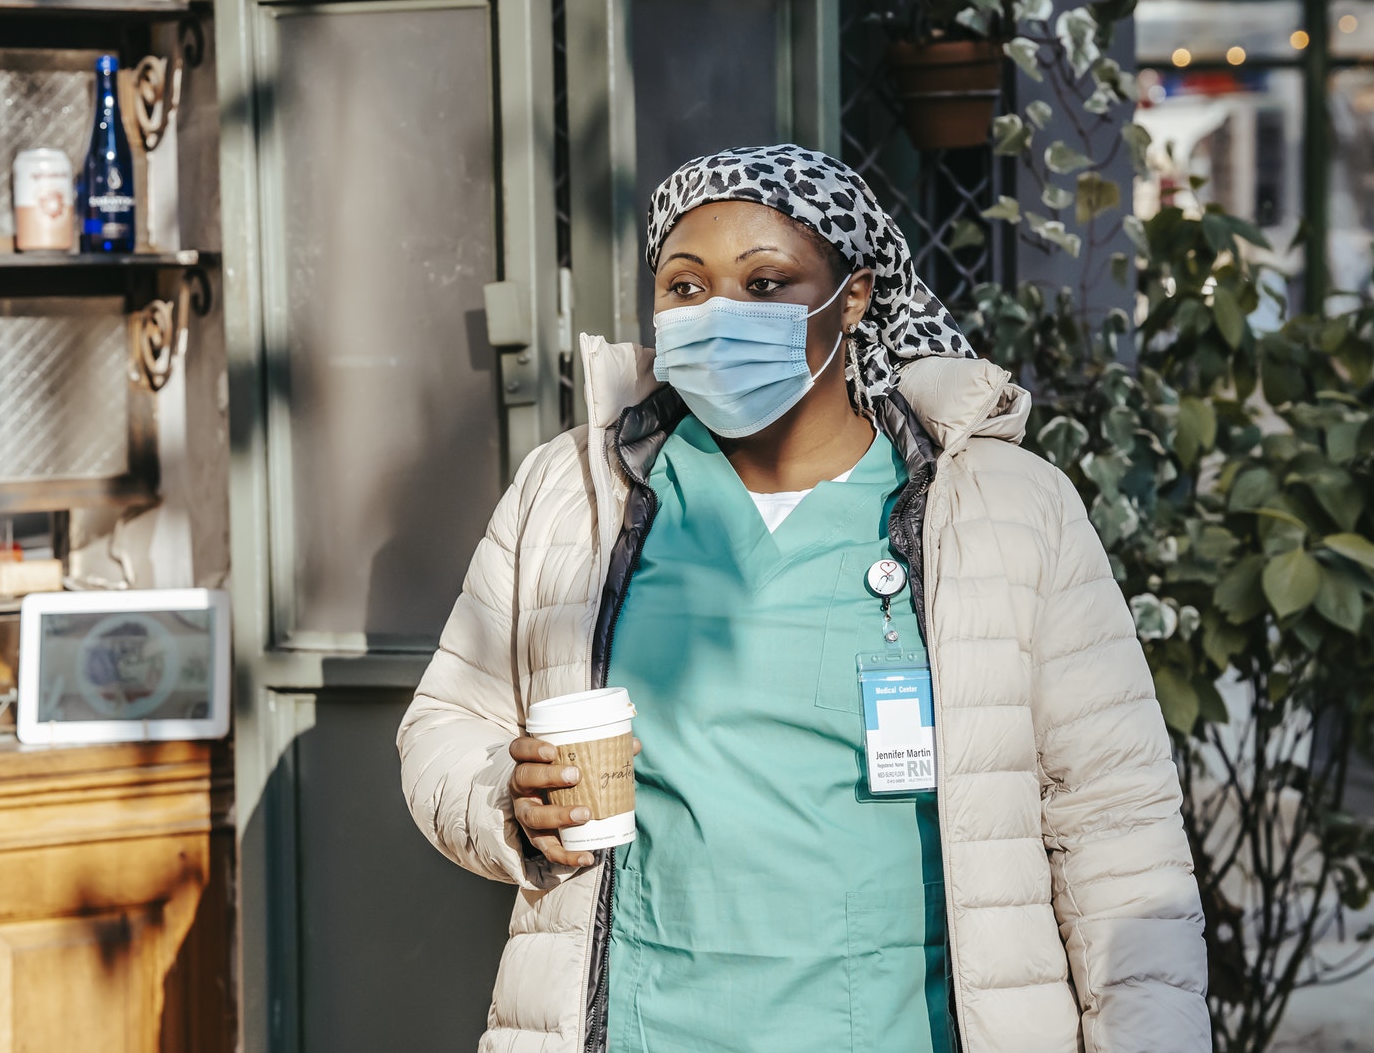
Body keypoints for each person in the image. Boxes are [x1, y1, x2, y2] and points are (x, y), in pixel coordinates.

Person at [398, 144, 1209, 1053]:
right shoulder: (573, 496)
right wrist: (505, 799)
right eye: (686, 286)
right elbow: (444, 725)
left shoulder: (1003, 510)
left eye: (766, 282)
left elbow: (1117, 827)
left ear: (854, 297)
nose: (718, 315)